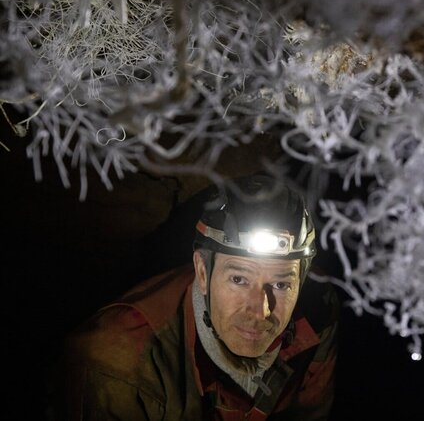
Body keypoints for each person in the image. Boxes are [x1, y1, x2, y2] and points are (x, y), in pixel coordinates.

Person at [50, 174, 340, 420]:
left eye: (280, 285)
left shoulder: (318, 313)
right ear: (203, 272)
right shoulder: (117, 365)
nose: (260, 310)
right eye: (239, 279)